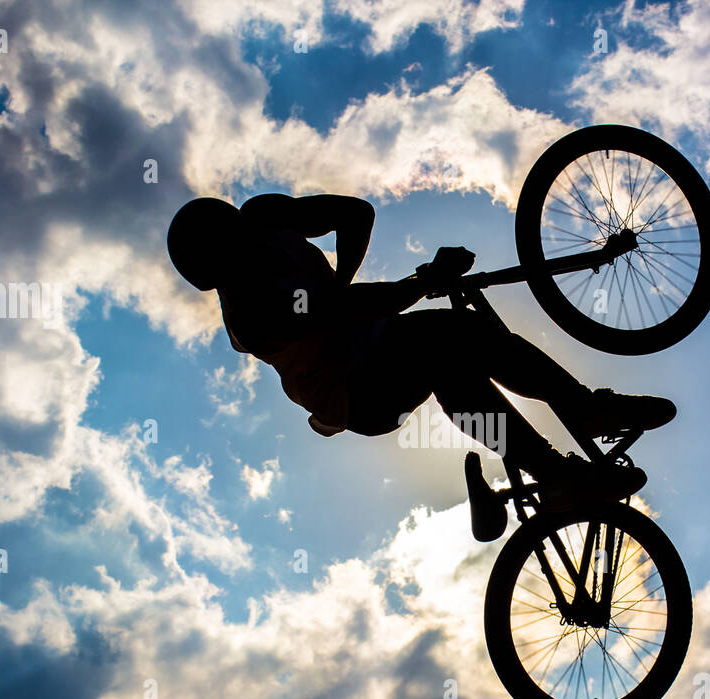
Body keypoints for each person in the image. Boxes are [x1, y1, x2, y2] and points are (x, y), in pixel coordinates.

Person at [166, 193, 676, 510]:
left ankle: (566, 457)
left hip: (374, 345)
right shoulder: (251, 317)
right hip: (352, 394)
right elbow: (335, 310)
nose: (245, 266)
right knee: (448, 339)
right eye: (232, 268)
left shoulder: (265, 216)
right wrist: (418, 281)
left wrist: (344, 283)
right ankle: (574, 436)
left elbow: (354, 215)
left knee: (455, 370)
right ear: (220, 275)